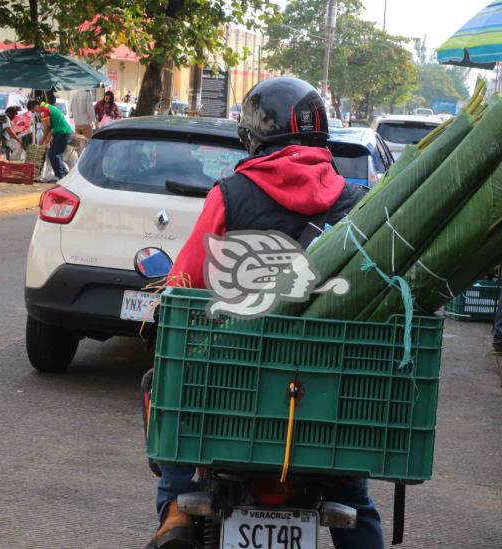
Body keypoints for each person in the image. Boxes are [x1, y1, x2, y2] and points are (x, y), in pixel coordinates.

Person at [143, 77, 380, 549]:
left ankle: (175, 513)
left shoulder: (231, 195)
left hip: (237, 392)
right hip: (325, 400)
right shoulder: (360, 204)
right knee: (355, 498)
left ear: (252, 137)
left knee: (163, 387)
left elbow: (186, 280)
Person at [27, 99, 74, 180]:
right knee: (55, 153)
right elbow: (52, 128)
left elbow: (47, 126)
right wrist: (47, 139)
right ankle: (64, 174)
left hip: (63, 133)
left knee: (53, 154)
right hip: (62, 132)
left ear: (35, 106)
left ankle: (61, 176)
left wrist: (42, 139)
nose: (35, 113)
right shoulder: (48, 106)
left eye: (33, 111)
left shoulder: (43, 109)